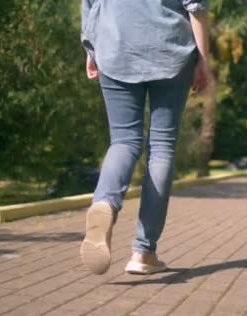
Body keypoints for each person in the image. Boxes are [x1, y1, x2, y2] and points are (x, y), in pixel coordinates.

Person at [79, 0, 212, 275]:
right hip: (170, 49)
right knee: (162, 148)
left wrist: (91, 48)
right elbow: (196, 7)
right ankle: (144, 252)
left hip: (114, 45)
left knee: (124, 141)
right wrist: (203, 60)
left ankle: (105, 203)